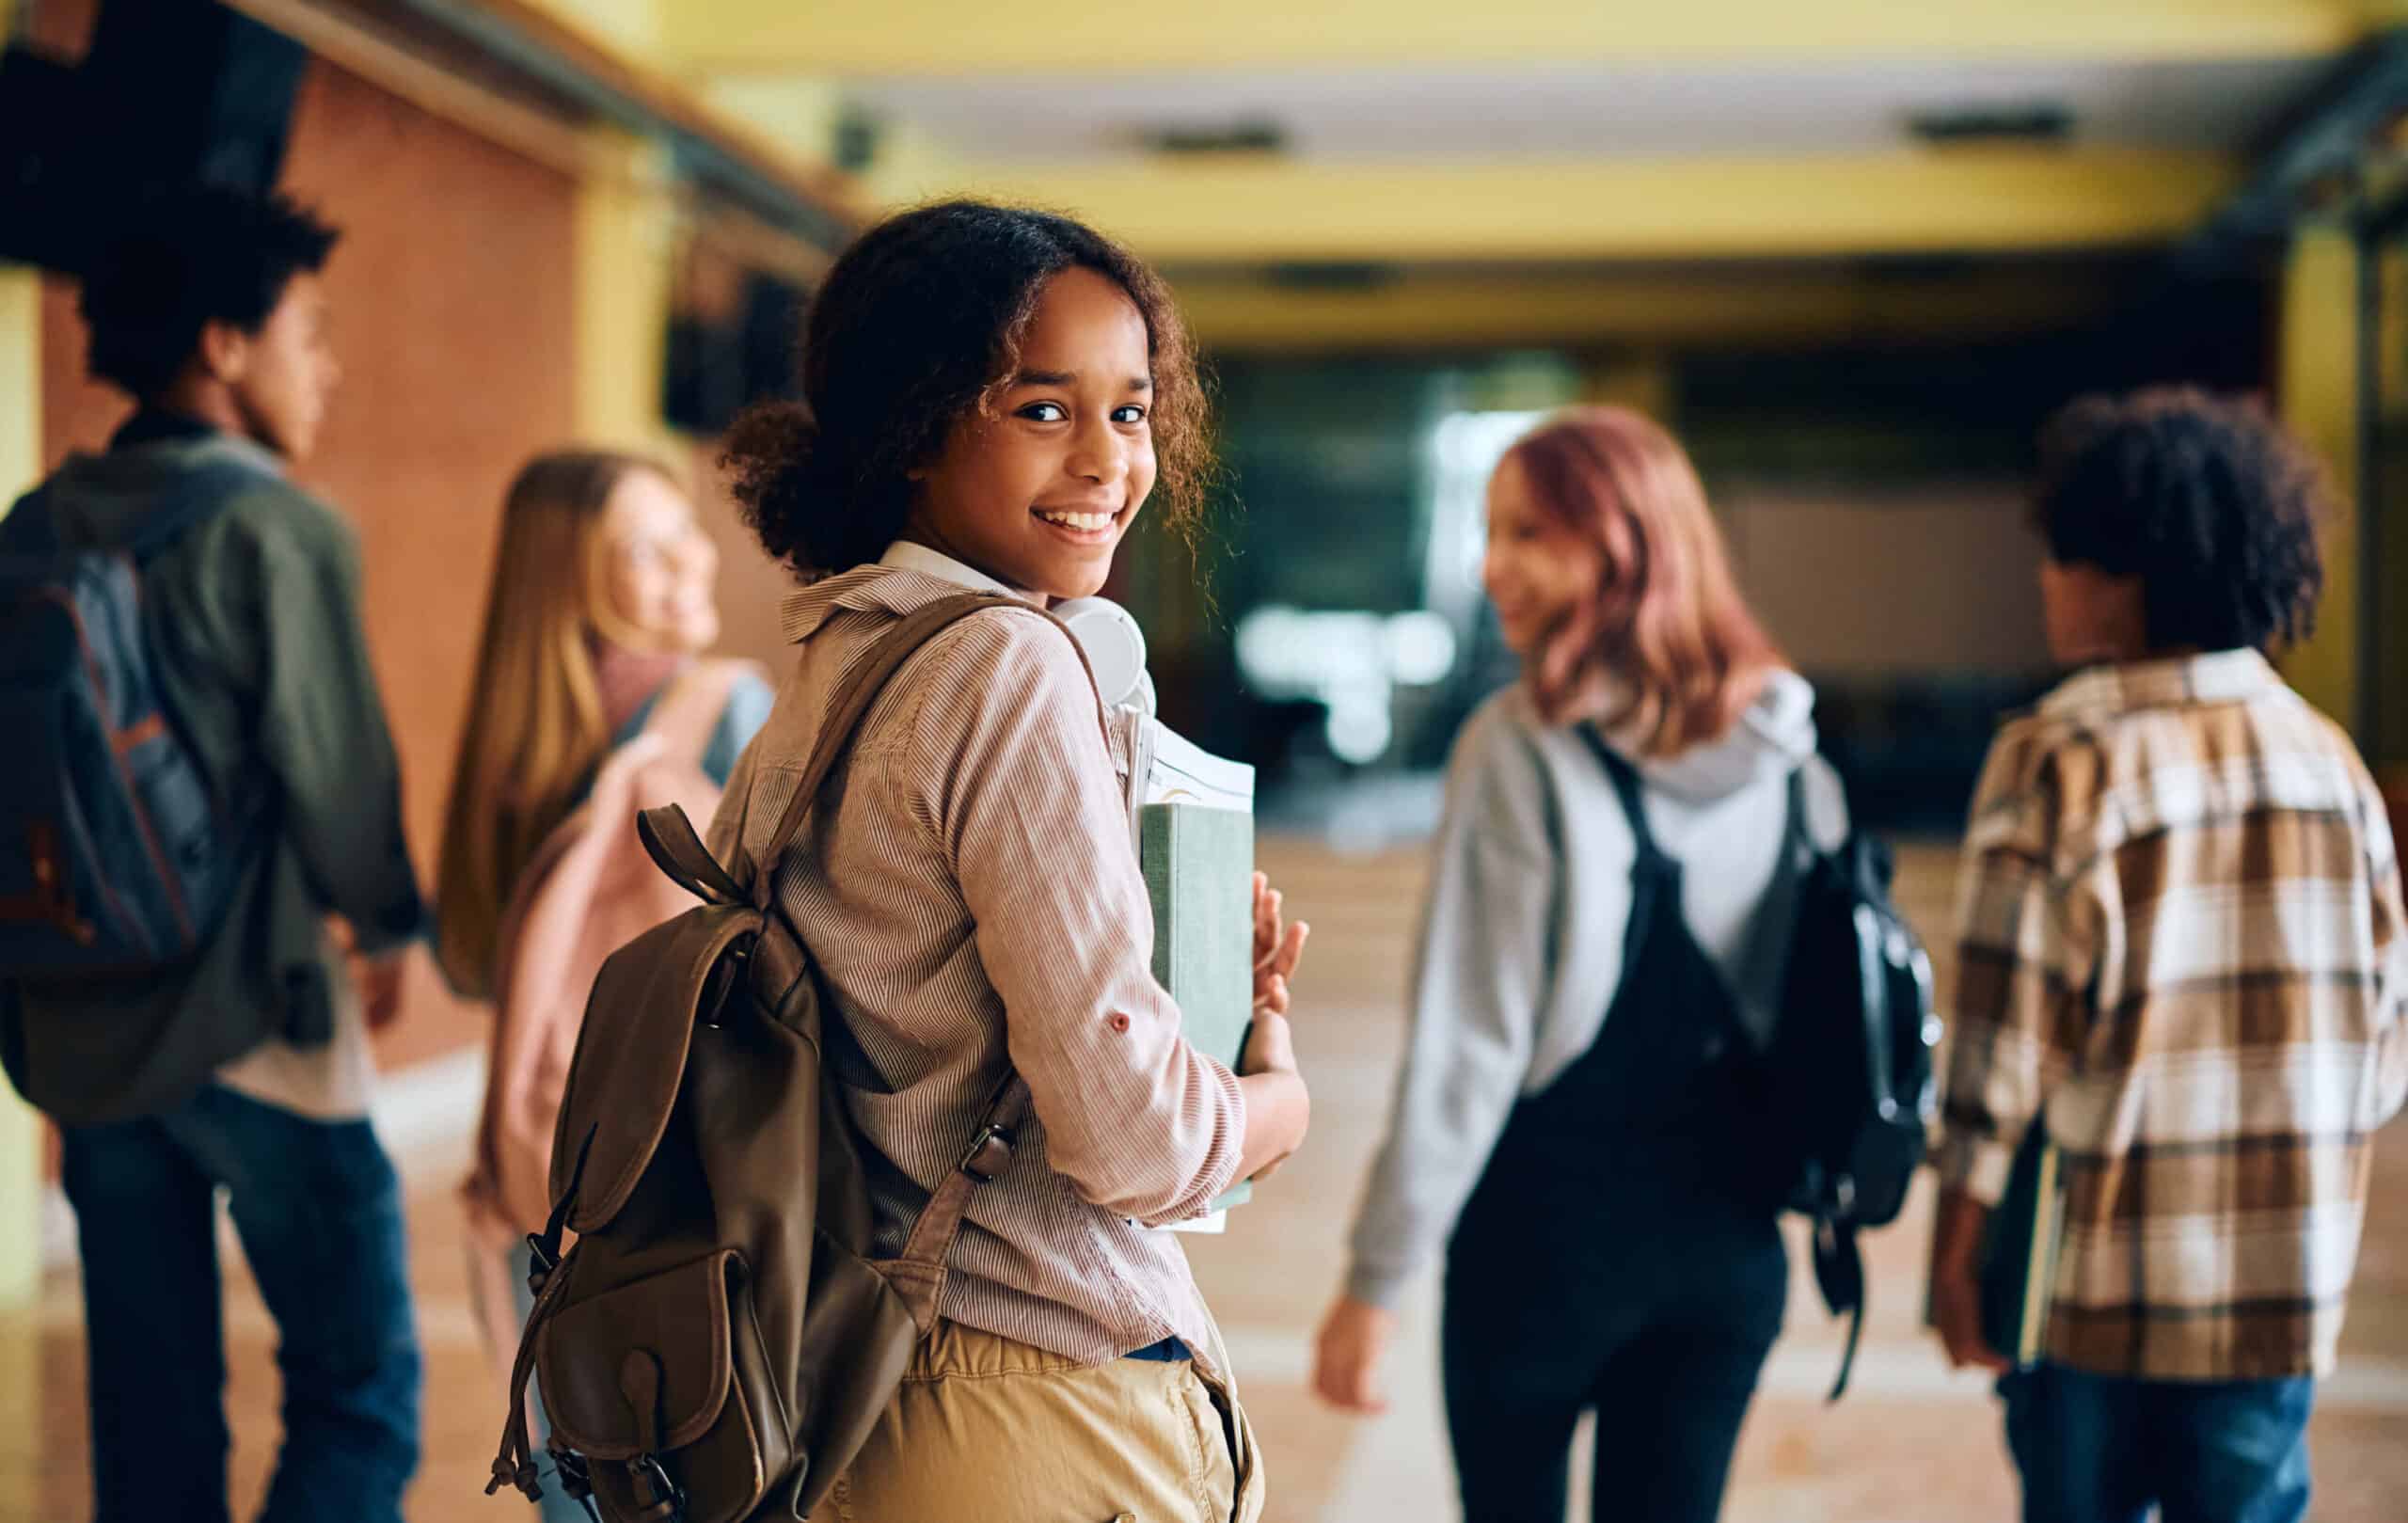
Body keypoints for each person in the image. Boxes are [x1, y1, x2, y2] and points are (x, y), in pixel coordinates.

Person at [706, 198, 1309, 1523]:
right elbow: (1135, 1138)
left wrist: (1181, 991)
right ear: (915, 425)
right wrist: (1273, 1097)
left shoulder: (838, 653)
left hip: (862, 1377)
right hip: (1034, 1393)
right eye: (1042, 409)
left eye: (1133, 411)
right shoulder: (1008, 665)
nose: (1106, 459)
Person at [1311, 407, 1846, 1523]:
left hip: (1541, 1252)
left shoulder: (1518, 746)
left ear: (1618, 546)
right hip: (1730, 1255)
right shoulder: (1791, 755)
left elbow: (1468, 1045)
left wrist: (1374, 1282)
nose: (1489, 564)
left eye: (1527, 535)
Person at [0, 188, 424, 1521]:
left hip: (77, 1014)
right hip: (259, 1011)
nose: (328, 366)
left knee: (150, 1409)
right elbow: (335, 768)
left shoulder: (37, 520)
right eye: (309, 331)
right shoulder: (277, 525)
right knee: (358, 1394)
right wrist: (397, 921)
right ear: (223, 345)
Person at [1925, 388, 2408, 1523]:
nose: (2045, 582)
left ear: (2121, 572)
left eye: (2060, 557)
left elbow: (2001, 1051)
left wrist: (1956, 1250)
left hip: (2093, 1288)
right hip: (2279, 1290)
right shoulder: (2328, 763)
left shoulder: (2056, 755)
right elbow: (2382, 1049)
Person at [434, 449, 773, 1522]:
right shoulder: (723, 708)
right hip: (685, 1180)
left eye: (685, 529)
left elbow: (471, 958)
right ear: (569, 575)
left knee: (579, 1485)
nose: (690, 557)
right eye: (646, 544)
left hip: (545, 1185)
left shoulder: (512, 746)